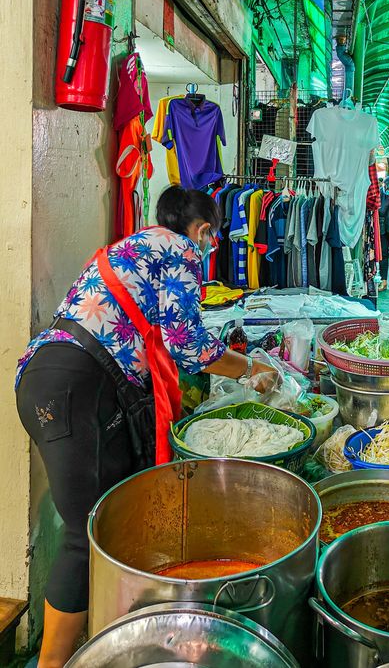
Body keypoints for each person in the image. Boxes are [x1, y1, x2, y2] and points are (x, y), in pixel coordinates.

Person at [16, 186, 277, 668]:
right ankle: (53, 663)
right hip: (77, 390)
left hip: (50, 381)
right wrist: (251, 369)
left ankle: (100, 641)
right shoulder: (180, 250)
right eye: (212, 237)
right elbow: (188, 344)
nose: (210, 245)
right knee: (85, 531)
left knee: (105, 517)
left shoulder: (136, 245)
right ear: (203, 231)